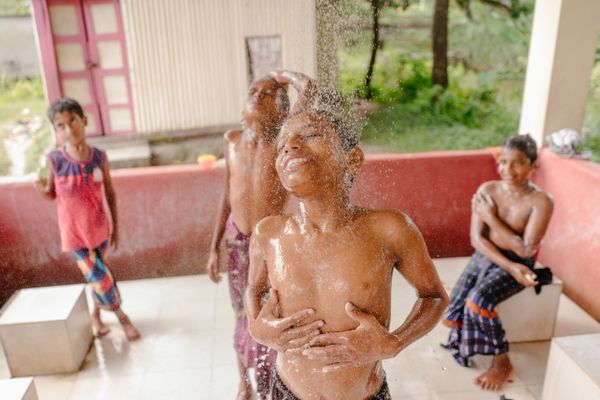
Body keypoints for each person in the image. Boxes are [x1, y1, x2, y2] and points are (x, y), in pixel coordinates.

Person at [245, 106, 449, 400]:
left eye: (312, 134)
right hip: (285, 389)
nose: (290, 145)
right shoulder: (268, 234)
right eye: (282, 145)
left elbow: (434, 297)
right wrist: (257, 327)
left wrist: (393, 343)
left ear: (352, 160)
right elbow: (255, 289)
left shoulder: (389, 229)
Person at [206, 70, 315, 399]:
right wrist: (213, 248)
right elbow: (227, 195)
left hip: (268, 245)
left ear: (282, 111)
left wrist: (283, 77)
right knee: (240, 312)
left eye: (269, 94)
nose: (257, 95)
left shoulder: (282, 141)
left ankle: (270, 382)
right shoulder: (232, 142)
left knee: (267, 313)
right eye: (253, 91)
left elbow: (308, 90)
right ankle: (244, 380)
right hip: (234, 241)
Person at [442, 134, 553, 391]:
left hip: (520, 262)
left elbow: (525, 248)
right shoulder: (488, 190)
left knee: (478, 303)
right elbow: (476, 240)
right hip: (487, 256)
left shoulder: (541, 202)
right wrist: (509, 265)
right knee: (449, 309)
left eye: (517, 163)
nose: (508, 170)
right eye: (503, 162)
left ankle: (502, 361)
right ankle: (471, 342)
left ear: (533, 165)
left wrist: (490, 218)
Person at [36, 97, 140, 342]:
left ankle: (96, 317)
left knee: (98, 275)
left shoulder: (98, 157)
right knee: (101, 277)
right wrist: (41, 190)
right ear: (56, 131)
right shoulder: (55, 160)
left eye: (72, 121)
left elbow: (110, 193)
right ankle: (122, 317)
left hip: (99, 229)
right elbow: (51, 194)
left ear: (84, 121)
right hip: (74, 235)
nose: (68, 129)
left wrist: (115, 229)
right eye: (60, 126)